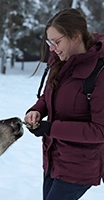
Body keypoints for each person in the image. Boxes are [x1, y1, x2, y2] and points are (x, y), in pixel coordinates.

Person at [24, 8, 104, 200]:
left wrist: (51, 128)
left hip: (78, 168)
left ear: (76, 36)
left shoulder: (99, 72)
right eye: (49, 42)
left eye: (57, 42)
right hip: (53, 160)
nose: (51, 48)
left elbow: (100, 130)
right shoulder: (60, 60)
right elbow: (48, 95)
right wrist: (36, 110)